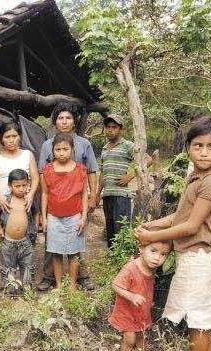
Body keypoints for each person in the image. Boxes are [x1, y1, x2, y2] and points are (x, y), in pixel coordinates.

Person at [134, 116, 211, 351]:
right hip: (195, 259)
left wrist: (151, 236)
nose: (204, 152)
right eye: (198, 145)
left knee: (197, 322)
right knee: (204, 319)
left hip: (197, 260)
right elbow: (180, 215)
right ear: (188, 147)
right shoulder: (198, 175)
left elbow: (190, 227)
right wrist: (151, 224)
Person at [36, 102, 98, 291]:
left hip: (77, 201)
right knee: (52, 242)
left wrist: (93, 195)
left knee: (77, 242)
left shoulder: (84, 144)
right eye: (60, 118)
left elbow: (92, 171)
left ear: (74, 121)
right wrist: (42, 210)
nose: (64, 121)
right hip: (55, 202)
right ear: (55, 122)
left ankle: (81, 276)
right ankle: (49, 277)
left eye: (68, 118)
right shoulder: (48, 145)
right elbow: (42, 175)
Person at [109, 240, 172, 351]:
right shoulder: (130, 268)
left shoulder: (151, 267)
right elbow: (116, 285)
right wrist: (131, 296)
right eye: (153, 251)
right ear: (141, 248)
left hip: (141, 311)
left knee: (141, 337)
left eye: (163, 254)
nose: (157, 258)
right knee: (130, 339)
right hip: (127, 312)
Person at [40, 133, 89, 290]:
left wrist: (83, 217)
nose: (61, 153)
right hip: (53, 216)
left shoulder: (81, 169)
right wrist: (44, 217)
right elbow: (44, 194)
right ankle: (60, 285)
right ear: (52, 150)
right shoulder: (47, 169)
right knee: (56, 252)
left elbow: (84, 195)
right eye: (58, 149)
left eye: (65, 149)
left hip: (75, 215)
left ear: (72, 149)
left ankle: (73, 285)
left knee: (74, 253)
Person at [0, 121, 40, 247]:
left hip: (23, 204)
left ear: (20, 137)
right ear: (1, 139)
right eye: (7, 137)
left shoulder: (27, 155)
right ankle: (6, 266)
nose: (11, 140)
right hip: (3, 204)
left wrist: (31, 194)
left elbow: (35, 177)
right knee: (2, 242)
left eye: (14, 136)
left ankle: (23, 265)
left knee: (25, 241)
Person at [0, 169, 39, 295]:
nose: (21, 189)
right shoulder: (5, 200)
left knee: (28, 267)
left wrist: (34, 227)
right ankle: (9, 292)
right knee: (7, 268)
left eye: (24, 185)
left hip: (25, 242)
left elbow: (36, 212)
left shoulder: (29, 200)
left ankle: (28, 291)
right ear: (10, 186)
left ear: (28, 184)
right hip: (8, 242)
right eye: (17, 186)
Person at [96, 114, 140, 248]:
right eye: (108, 127)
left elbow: (146, 159)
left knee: (122, 229)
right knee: (110, 231)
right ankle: (112, 261)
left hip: (121, 196)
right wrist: (97, 194)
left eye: (114, 127)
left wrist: (130, 176)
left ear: (121, 129)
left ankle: (124, 261)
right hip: (107, 195)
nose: (110, 130)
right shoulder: (104, 148)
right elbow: (102, 173)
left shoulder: (128, 145)